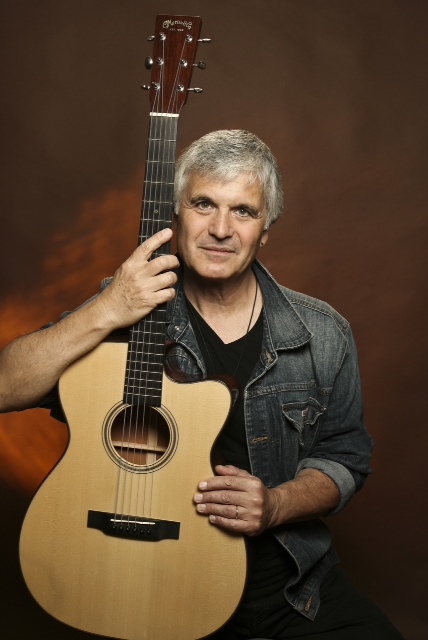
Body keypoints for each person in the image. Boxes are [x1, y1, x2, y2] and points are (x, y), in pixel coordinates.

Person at [0, 130, 403, 639]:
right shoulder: (119, 308)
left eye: (243, 211)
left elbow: (345, 456)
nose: (220, 229)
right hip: (135, 581)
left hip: (288, 590)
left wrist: (276, 505)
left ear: (265, 229)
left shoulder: (323, 333)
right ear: (176, 215)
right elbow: (6, 387)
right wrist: (107, 309)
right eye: (204, 204)